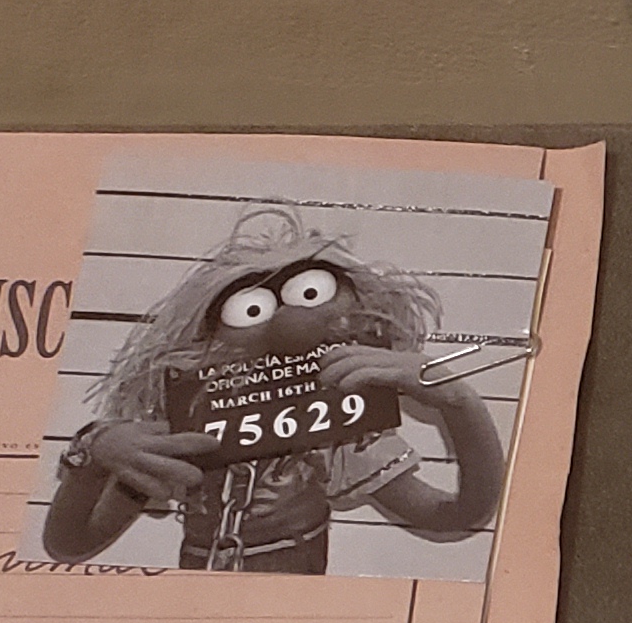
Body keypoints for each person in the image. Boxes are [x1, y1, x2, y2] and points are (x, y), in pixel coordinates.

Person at [41, 209, 501, 573]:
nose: (283, 318)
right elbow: (69, 543)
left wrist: (457, 402)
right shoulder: (189, 425)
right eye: (251, 307)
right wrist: (94, 451)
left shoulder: (339, 424)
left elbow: (455, 515)